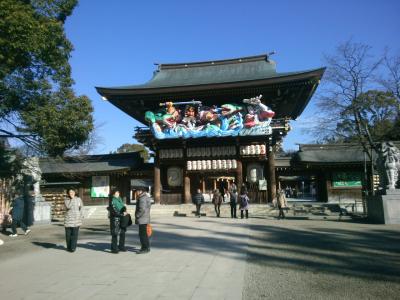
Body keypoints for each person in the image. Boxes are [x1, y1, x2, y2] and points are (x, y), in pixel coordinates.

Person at [134, 187, 152, 254]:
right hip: (145, 218)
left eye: (137, 191)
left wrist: (137, 215)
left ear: (141, 191)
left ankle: (144, 248)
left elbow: (142, 209)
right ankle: (147, 247)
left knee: (142, 234)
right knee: (144, 234)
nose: (137, 192)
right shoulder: (146, 197)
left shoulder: (142, 198)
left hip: (142, 219)